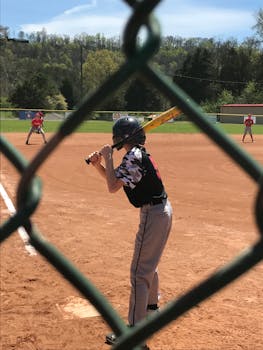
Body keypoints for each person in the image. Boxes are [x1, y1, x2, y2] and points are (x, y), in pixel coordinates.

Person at [87, 116, 173, 350]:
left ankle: (135, 336)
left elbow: (113, 187)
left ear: (121, 137)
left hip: (153, 215)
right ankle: (152, 312)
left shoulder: (133, 156)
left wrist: (108, 156)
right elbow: (116, 180)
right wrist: (99, 165)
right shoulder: (137, 154)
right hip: (161, 210)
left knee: (138, 272)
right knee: (149, 265)